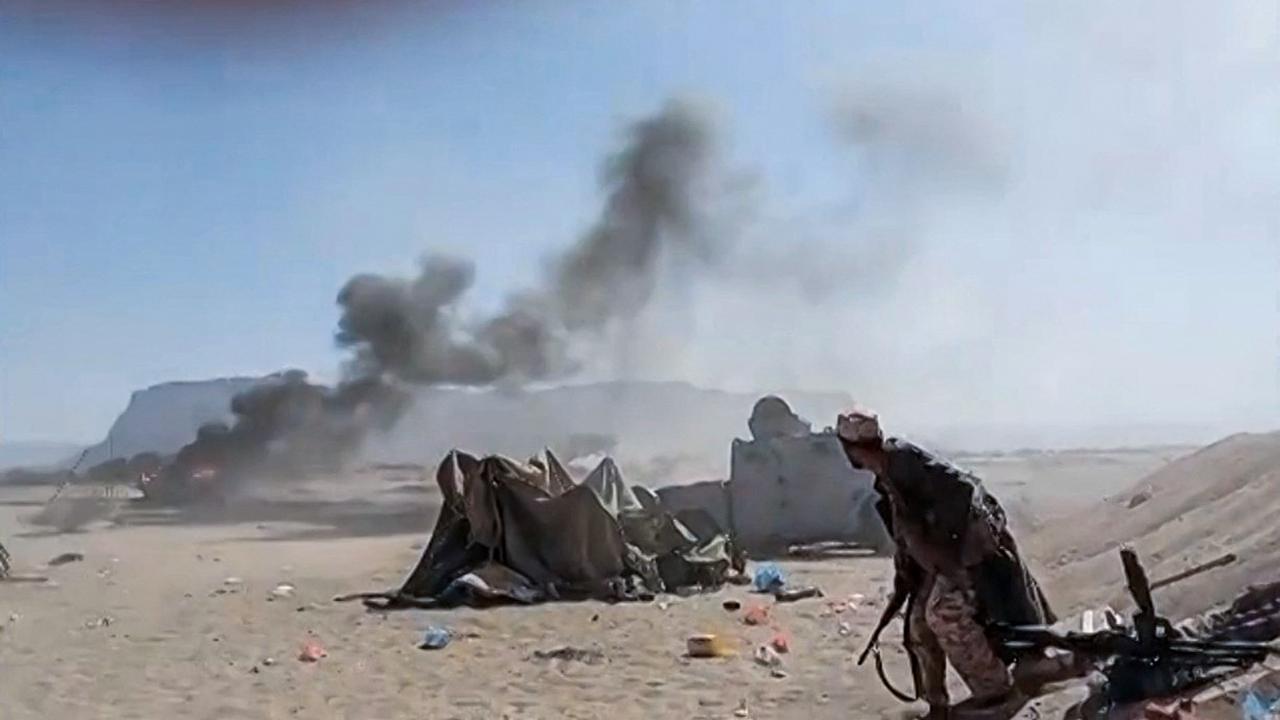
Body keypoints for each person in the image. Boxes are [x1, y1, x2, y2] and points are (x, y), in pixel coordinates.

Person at [837, 408, 1060, 719]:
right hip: (942, 564)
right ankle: (936, 703)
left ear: (852, 449)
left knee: (944, 615)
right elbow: (908, 531)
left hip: (971, 558)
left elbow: (965, 492)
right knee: (917, 624)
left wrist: (949, 556)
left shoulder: (905, 461)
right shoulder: (887, 476)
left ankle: (995, 690)